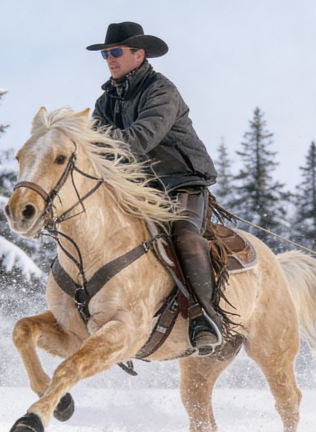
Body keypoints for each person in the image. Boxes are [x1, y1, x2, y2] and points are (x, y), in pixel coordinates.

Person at [87, 22, 221, 353]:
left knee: (185, 235)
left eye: (116, 52)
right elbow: (95, 152)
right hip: (138, 189)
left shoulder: (161, 91)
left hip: (182, 182)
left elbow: (139, 139)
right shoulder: (105, 102)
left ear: (139, 54)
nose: (110, 59)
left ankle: (204, 316)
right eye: (105, 54)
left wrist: (87, 144)